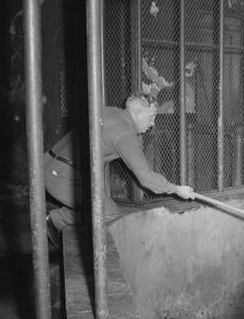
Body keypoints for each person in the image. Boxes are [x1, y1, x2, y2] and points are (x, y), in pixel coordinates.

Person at [44, 93, 194, 248]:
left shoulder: (110, 111)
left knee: (100, 205)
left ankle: (57, 220)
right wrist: (176, 189)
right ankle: (59, 223)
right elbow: (146, 178)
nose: (153, 123)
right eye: (152, 117)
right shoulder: (126, 134)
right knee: (109, 213)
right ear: (137, 113)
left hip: (49, 164)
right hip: (61, 176)